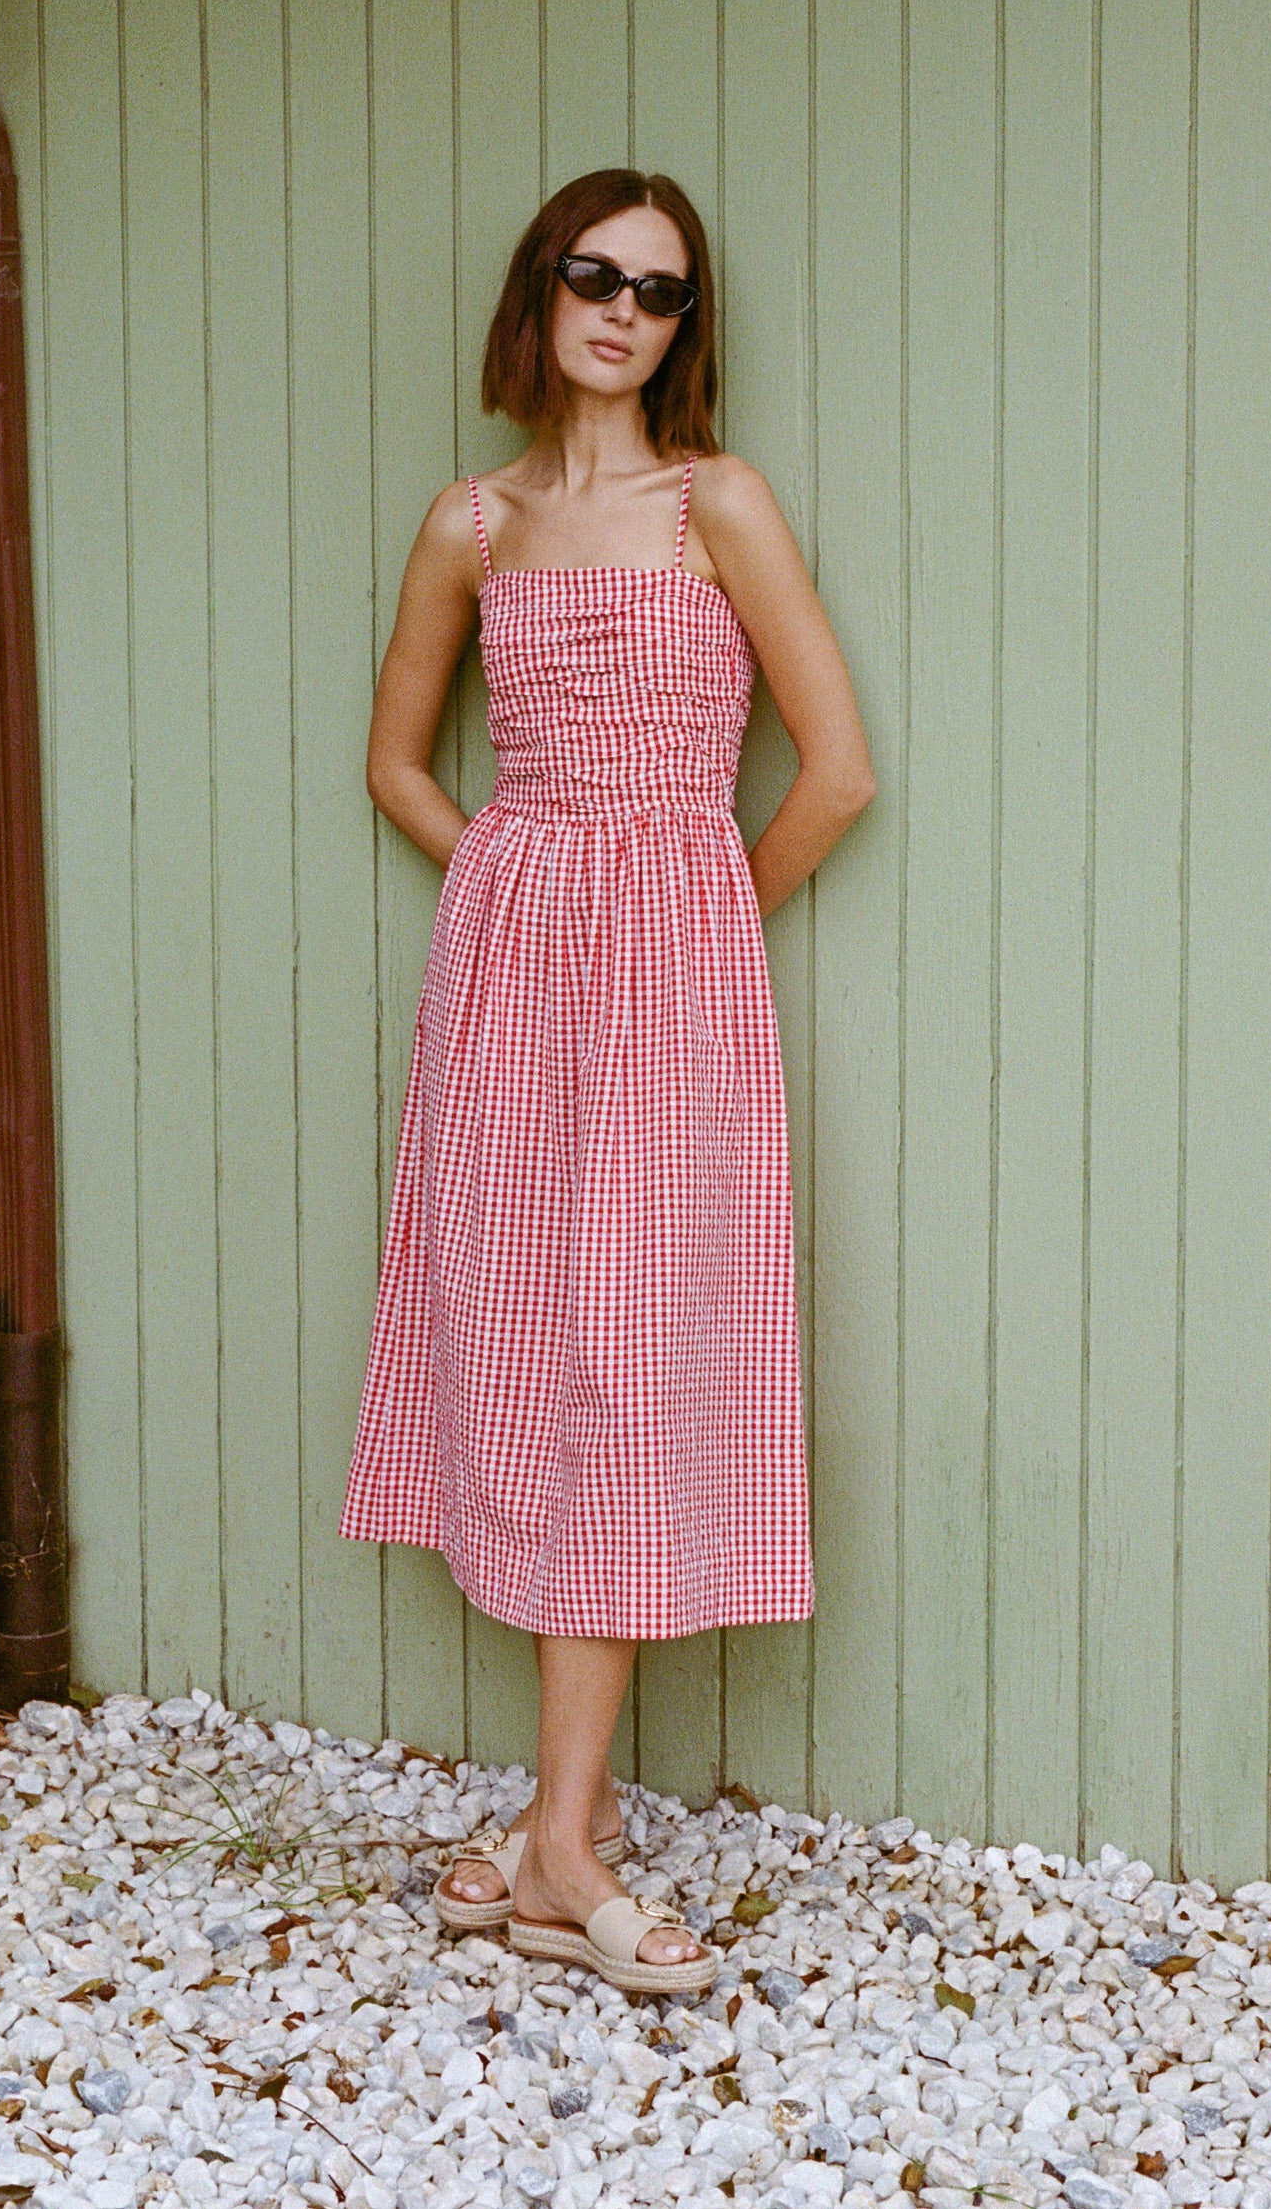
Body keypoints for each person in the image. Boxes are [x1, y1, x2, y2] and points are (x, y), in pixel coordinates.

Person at [341, 168, 874, 1995]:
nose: (621, 309)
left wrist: (695, 907)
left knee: (629, 1362)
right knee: (529, 1343)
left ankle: (556, 1840)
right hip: (507, 997)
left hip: (672, 1002)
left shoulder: (716, 502)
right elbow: (402, 762)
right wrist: (509, 876)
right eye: (591, 275)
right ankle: (562, 1837)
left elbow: (835, 771)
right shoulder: (470, 523)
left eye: (658, 290)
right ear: (540, 292)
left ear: (683, 327)